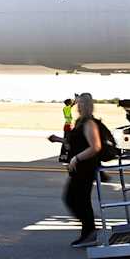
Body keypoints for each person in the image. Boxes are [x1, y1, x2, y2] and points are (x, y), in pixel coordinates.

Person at [47, 92, 104, 247]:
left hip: (85, 169)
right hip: (79, 170)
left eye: (80, 104)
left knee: (74, 199)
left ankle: (90, 230)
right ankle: (89, 231)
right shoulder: (80, 122)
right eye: (78, 104)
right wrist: (57, 139)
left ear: (87, 105)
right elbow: (74, 141)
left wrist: (76, 158)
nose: (78, 107)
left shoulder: (89, 123)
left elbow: (96, 146)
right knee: (78, 200)